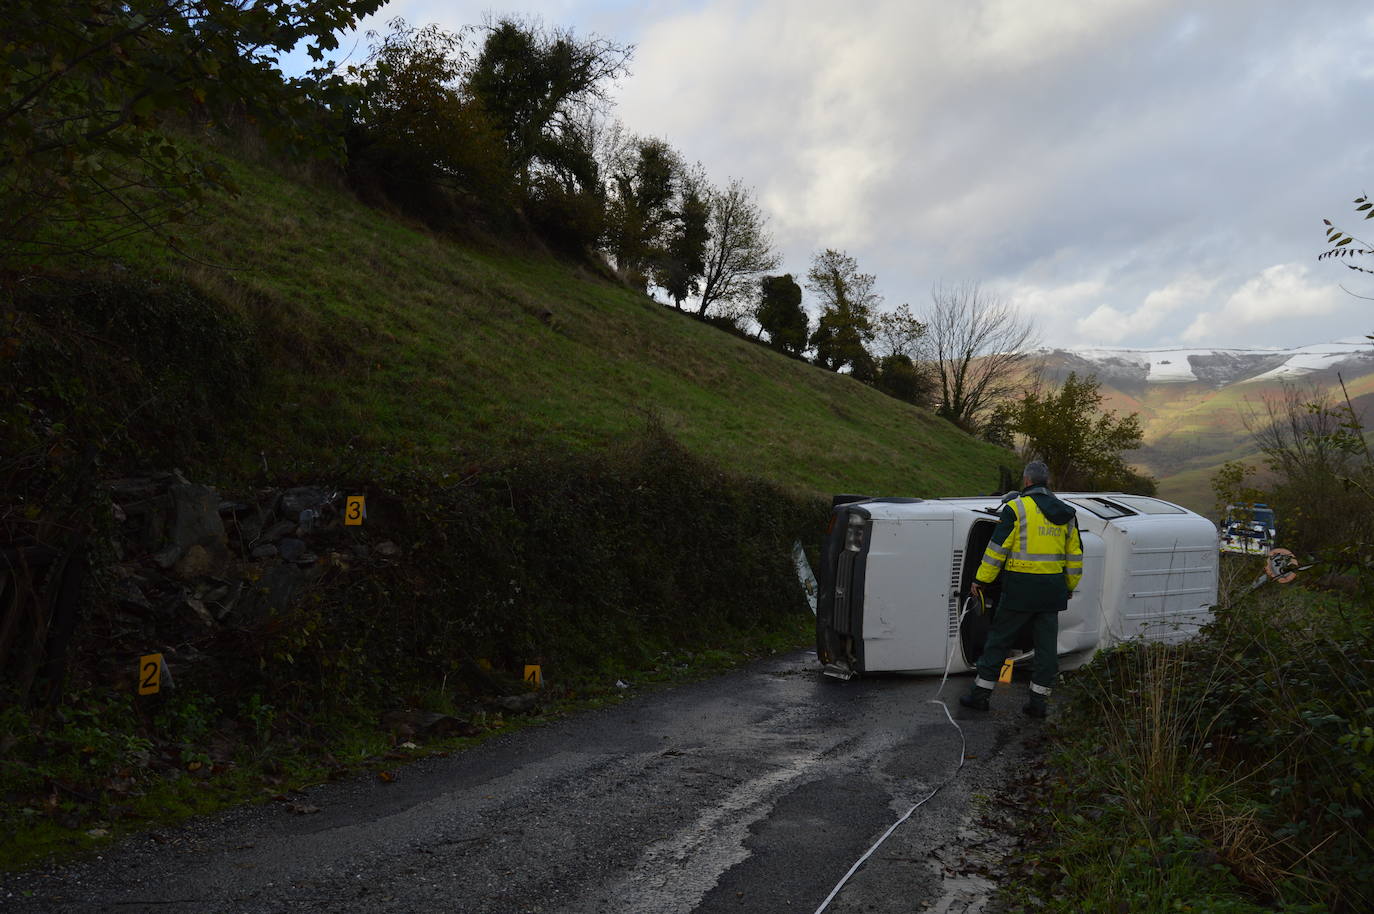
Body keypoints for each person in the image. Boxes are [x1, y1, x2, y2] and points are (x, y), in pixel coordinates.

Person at [959, 460, 1082, 718]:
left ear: (1027, 481)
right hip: (1051, 592)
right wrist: (1069, 585)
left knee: (999, 642)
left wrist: (980, 581)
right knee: (1046, 650)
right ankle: (1038, 704)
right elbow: (1075, 556)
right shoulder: (1067, 513)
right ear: (1046, 482)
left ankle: (980, 696)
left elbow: (996, 550)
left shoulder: (1016, 508)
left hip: (1019, 590)